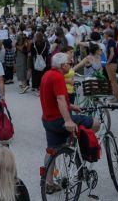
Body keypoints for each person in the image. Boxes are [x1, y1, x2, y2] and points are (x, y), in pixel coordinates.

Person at [40, 52, 99, 194]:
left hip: (48, 120)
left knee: (52, 149)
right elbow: (60, 99)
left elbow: (52, 98)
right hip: (59, 120)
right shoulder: (59, 77)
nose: (71, 65)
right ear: (62, 65)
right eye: (69, 63)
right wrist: (68, 120)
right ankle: (82, 152)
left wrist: (71, 106)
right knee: (96, 123)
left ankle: (49, 183)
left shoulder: (47, 75)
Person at [103, 29, 118, 103]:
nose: (104, 35)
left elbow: (112, 53)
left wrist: (108, 62)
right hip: (112, 63)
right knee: (112, 81)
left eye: (104, 34)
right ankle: (115, 97)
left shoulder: (110, 41)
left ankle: (117, 98)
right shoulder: (112, 41)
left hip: (111, 63)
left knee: (113, 81)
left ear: (107, 34)